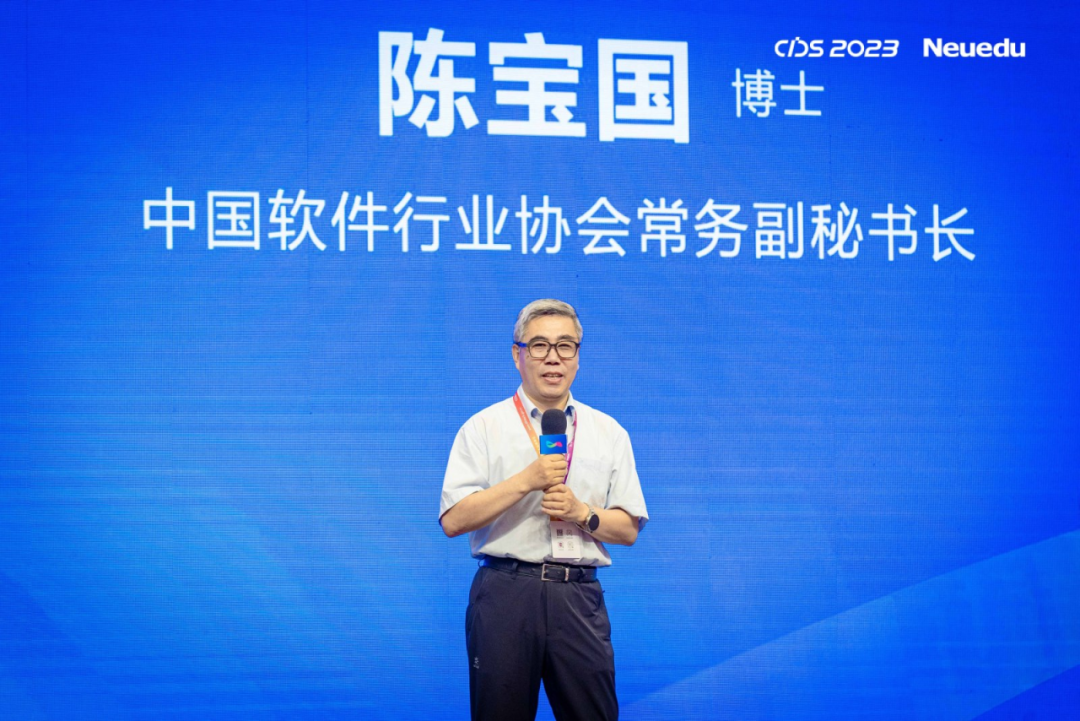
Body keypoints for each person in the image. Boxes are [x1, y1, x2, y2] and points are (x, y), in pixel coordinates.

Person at [440, 299, 649, 721]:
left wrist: (582, 512)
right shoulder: (483, 427)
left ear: (577, 357)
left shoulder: (608, 432)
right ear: (517, 355)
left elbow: (628, 528)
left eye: (565, 346)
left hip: (578, 595)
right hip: (506, 592)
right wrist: (525, 481)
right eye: (539, 345)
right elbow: (454, 519)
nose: (553, 357)